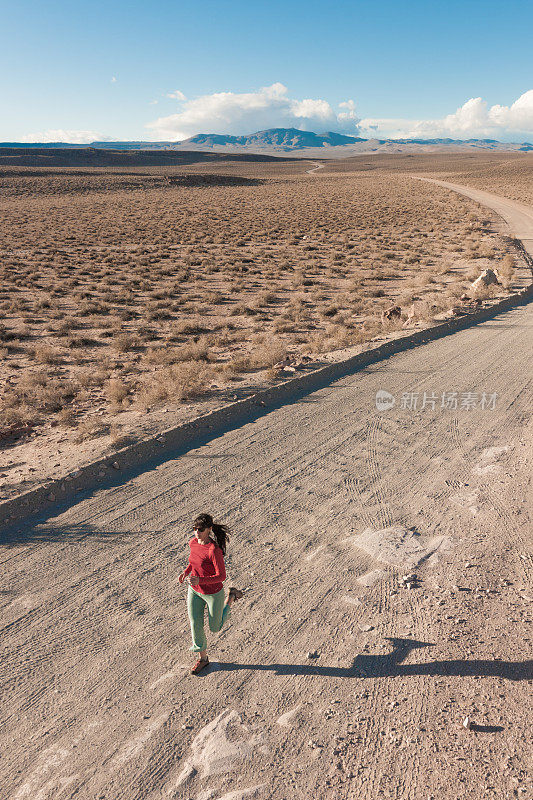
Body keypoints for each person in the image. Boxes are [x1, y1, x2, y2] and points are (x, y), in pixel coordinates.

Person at [178, 513, 243, 675]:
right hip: (195, 591)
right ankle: (203, 659)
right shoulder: (193, 542)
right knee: (195, 623)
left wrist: (200, 580)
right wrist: (186, 572)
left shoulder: (214, 550)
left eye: (200, 529)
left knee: (215, 627)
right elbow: (193, 561)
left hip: (213, 593)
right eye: (194, 528)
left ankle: (232, 597)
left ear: (209, 529)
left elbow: (222, 576)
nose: (196, 532)